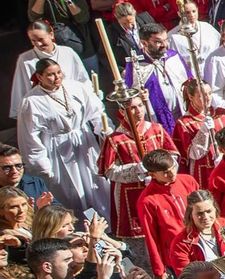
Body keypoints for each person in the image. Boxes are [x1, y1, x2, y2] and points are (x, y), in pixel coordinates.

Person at [17, 57, 109, 217]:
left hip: (82, 140)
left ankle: (106, 221)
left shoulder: (76, 87)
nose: (57, 77)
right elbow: (29, 136)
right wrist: (42, 164)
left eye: (59, 72)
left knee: (95, 182)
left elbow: (96, 111)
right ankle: (79, 224)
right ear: (39, 77)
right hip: (56, 148)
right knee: (70, 189)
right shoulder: (31, 101)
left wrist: (104, 130)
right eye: (51, 74)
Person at [134, 149, 200, 279]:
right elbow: (151, 237)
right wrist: (159, 270)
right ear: (152, 174)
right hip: (177, 254)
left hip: (200, 244)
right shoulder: (147, 201)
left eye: (173, 168)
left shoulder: (189, 181)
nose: (172, 174)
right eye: (165, 172)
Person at [124, 24, 191, 134]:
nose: (164, 45)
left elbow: (190, 83)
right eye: (158, 42)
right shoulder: (136, 65)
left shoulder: (174, 57)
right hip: (156, 119)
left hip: (182, 113)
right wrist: (139, 97)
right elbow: (130, 95)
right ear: (144, 43)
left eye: (166, 40)